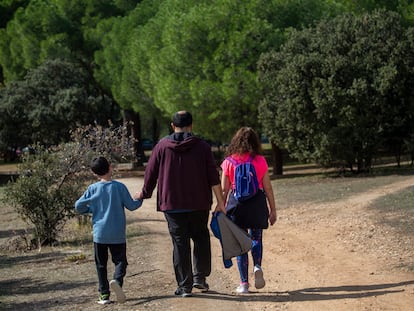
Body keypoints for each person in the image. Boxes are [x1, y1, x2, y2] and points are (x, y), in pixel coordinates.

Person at [137, 110, 225, 297]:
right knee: (200, 237)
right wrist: (221, 202)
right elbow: (213, 176)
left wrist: (144, 194)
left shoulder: (161, 147)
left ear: (172, 126)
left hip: (172, 204)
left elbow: (150, 173)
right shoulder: (202, 147)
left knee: (180, 243)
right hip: (199, 203)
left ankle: (185, 287)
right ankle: (199, 278)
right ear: (191, 125)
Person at [75, 156, 142, 305]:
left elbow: (78, 206)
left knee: (101, 265)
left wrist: (90, 209)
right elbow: (132, 206)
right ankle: (117, 280)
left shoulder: (92, 189)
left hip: (100, 234)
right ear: (110, 167)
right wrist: (140, 197)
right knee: (120, 261)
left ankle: (104, 295)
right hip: (117, 234)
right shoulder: (119, 187)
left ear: (94, 173)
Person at [220, 127, 277, 294]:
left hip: (237, 205)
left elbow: (224, 189)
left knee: (241, 243)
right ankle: (257, 266)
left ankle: (244, 284)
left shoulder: (229, 162)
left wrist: (221, 208)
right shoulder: (260, 160)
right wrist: (273, 210)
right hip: (257, 203)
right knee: (256, 237)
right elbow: (268, 188)